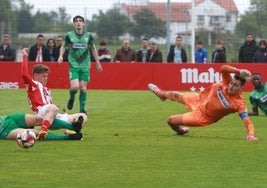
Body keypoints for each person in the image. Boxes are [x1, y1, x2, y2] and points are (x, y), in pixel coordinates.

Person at [148, 65, 258, 141]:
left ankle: (181, 131)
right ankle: (161, 95)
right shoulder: (227, 81)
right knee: (174, 94)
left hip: (202, 116)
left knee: (171, 120)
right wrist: (237, 71)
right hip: (199, 100)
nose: (231, 86)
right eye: (232, 83)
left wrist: (251, 134)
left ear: (241, 87)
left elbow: (247, 120)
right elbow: (223, 69)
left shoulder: (239, 103)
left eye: (235, 85)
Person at [21, 48, 87, 139]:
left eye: (47, 76)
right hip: (42, 113)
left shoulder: (47, 90)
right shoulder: (33, 85)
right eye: (43, 76)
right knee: (53, 107)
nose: (46, 78)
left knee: (83, 116)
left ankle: (69, 131)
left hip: (52, 114)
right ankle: (43, 130)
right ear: (35, 75)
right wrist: (25, 56)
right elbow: (24, 75)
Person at [58, 15, 103, 115]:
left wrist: (98, 63)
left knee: (83, 88)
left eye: (80, 21)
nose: (78, 23)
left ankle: (82, 109)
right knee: (75, 88)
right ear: (74, 24)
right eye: (76, 21)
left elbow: (93, 48)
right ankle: (71, 98)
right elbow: (63, 46)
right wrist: (60, 56)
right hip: (73, 65)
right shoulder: (69, 35)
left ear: (83, 23)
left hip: (85, 65)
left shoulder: (88, 36)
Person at [0, 113, 83, 140]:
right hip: (4, 131)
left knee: (39, 119)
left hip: (8, 119)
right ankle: (68, 137)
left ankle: (73, 126)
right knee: (34, 134)